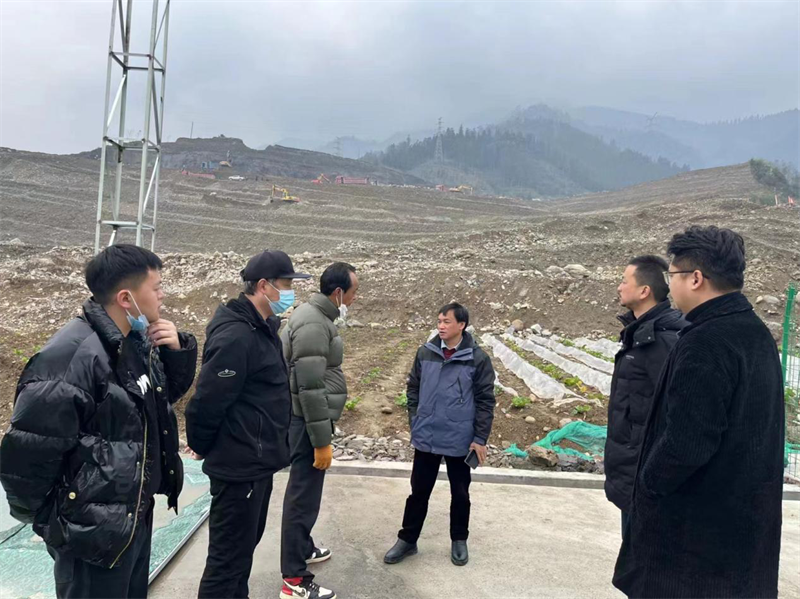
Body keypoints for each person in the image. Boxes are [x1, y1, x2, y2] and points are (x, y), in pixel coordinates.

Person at [0, 244, 197, 599]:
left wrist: (176, 354)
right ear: (126, 298)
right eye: (156, 287)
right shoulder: (70, 358)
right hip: (91, 533)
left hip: (131, 518)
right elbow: (25, 460)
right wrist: (58, 524)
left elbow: (156, 405)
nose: (162, 295)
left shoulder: (132, 342)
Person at [613, 226, 785, 598]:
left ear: (695, 278)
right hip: (742, 534)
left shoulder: (705, 341)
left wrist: (647, 487)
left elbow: (687, 443)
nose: (669, 286)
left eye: (673, 276)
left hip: (695, 549)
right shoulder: (754, 332)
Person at [185, 250, 309, 599]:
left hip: (255, 465)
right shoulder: (237, 336)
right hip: (239, 468)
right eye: (286, 284)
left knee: (241, 556)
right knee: (226, 563)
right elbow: (207, 400)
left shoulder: (261, 328)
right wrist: (204, 445)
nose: (290, 292)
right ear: (264, 286)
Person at [384, 302, 495, 567]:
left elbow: (485, 401)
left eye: (447, 322)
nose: (441, 326)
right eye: (439, 321)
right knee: (418, 492)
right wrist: (416, 419)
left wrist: (479, 438)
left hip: (460, 437)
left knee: (460, 493)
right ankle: (407, 540)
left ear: (462, 325)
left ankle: (459, 539)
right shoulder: (426, 353)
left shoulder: (477, 359)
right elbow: (413, 389)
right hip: (427, 435)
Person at [279, 262, 359, 599]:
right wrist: (321, 441)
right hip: (305, 423)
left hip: (305, 420)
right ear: (338, 292)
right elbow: (309, 388)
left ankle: (303, 547)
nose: (355, 298)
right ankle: (294, 580)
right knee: (302, 499)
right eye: (353, 292)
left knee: (305, 495)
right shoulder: (313, 323)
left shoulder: (316, 316)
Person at [605, 255, 687, 531]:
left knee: (644, 548)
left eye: (624, 281)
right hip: (633, 471)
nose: (619, 287)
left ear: (644, 291)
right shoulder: (641, 334)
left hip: (647, 475)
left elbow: (676, 414)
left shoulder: (665, 341)